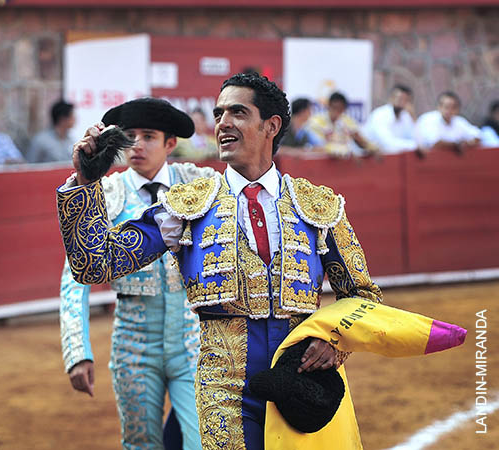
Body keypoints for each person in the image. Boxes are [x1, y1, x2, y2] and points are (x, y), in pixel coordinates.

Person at [57, 72, 383, 450]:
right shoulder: (187, 206)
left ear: (271, 126)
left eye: (238, 113)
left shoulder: (316, 206)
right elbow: (97, 264)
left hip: (299, 385)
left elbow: (362, 296)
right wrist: (84, 182)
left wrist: (335, 341)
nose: (222, 123)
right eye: (218, 113)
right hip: (222, 394)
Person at [60, 98, 214, 450]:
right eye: (129, 137)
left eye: (148, 136)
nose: (137, 145)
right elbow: (74, 275)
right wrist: (78, 350)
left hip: (193, 341)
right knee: (141, 444)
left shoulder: (198, 185)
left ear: (170, 144)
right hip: (133, 342)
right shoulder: (106, 192)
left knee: (203, 442)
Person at [307, 92, 378, 158]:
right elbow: (317, 146)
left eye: (340, 109)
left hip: (344, 163)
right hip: (322, 162)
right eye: (334, 107)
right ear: (328, 106)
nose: (336, 112)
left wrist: (368, 146)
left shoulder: (348, 122)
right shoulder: (316, 122)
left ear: (344, 109)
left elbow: (362, 142)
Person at [415, 91, 481, 153]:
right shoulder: (428, 119)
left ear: (458, 109)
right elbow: (436, 143)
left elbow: (478, 136)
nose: (449, 111)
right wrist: (457, 144)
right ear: (439, 107)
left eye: (453, 107)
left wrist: (467, 143)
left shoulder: (459, 121)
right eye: (446, 107)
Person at [362, 85, 418, 154]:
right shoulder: (380, 115)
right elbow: (388, 145)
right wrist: (415, 146)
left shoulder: (406, 116)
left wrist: (413, 118)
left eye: (405, 100)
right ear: (391, 98)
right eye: (399, 98)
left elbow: (418, 140)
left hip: (393, 158)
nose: (401, 102)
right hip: (369, 159)